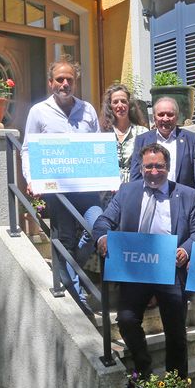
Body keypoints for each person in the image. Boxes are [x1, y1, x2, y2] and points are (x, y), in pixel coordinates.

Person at [91, 143, 195, 388]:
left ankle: (176, 386)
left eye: (159, 166)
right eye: (148, 166)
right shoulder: (127, 191)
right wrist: (103, 237)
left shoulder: (186, 195)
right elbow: (103, 221)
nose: (154, 172)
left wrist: (186, 250)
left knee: (176, 331)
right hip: (136, 269)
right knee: (126, 319)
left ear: (168, 167)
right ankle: (144, 370)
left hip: (170, 270)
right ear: (141, 168)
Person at [22, 56, 100, 310]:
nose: (65, 83)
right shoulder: (39, 111)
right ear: (50, 83)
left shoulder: (87, 110)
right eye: (60, 79)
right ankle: (78, 299)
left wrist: (106, 174)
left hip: (86, 189)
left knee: (99, 226)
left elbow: (97, 145)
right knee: (64, 238)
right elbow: (27, 149)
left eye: (70, 79)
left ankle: (71, 267)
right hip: (58, 191)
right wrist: (31, 179)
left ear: (75, 82)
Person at [76, 84, 150, 260]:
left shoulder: (142, 132)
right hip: (105, 194)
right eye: (115, 102)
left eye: (123, 101)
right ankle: (74, 267)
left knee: (127, 234)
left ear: (129, 104)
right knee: (97, 231)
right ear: (110, 106)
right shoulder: (101, 132)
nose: (120, 105)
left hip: (133, 192)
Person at [131, 97, 195, 209]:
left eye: (170, 114)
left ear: (176, 117)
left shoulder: (192, 140)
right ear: (154, 117)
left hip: (183, 205)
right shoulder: (142, 140)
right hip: (151, 204)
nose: (165, 118)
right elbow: (135, 178)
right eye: (161, 114)